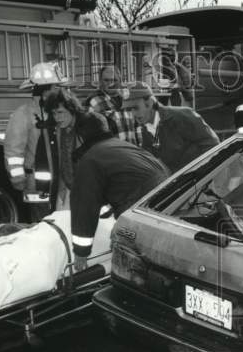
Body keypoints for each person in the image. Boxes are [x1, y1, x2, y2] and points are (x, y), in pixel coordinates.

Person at [68, 111, 170, 271]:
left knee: (128, 265)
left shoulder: (91, 159)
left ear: (81, 137)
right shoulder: (121, 146)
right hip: (169, 199)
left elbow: (84, 206)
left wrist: (81, 253)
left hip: (142, 209)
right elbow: (122, 182)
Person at [4, 61, 69, 208]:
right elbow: (13, 152)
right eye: (56, 86)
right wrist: (19, 180)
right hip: (36, 186)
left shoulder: (61, 111)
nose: (60, 90)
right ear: (45, 89)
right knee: (39, 226)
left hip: (62, 183)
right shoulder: (23, 114)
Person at [124, 82, 220, 172]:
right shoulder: (145, 131)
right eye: (129, 109)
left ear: (149, 103)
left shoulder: (182, 116)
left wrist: (199, 173)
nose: (133, 114)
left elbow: (213, 145)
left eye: (136, 108)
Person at [42, 88, 86, 209]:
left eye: (60, 112)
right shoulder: (59, 130)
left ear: (72, 109)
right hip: (66, 189)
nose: (57, 117)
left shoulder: (88, 127)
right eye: (54, 113)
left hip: (87, 190)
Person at [85, 65, 137, 144]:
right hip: (111, 153)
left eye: (114, 80)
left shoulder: (130, 97)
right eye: (106, 80)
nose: (111, 83)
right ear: (100, 81)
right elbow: (90, 134)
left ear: (120, 80)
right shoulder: (93, 101)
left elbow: (139, 126)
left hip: (133, 152)